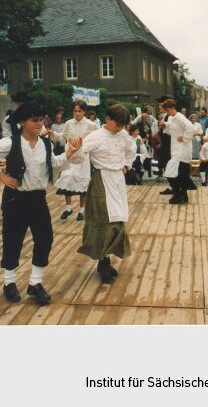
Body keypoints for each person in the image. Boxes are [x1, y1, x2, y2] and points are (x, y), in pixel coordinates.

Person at [0, 101, 82, 304]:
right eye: (34, 120)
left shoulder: (45, 144)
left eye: (41, 120)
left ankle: (35, 283)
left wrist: (70, 152)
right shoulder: (10, 142)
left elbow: (54, 164)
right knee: (13, 241)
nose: (39, 123)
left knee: (45, 239)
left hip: (37, 198)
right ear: (23, 122)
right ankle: (9, 283)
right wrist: (2, 176)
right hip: (15, 199)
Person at [67, 104, 136, 284]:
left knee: (117, 218)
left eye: (123, 125)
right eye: (117, 124)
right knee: (103, 220)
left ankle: (107, 259)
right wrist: (75, 148)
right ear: (107, 119)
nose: (120, 128)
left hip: (117, 180)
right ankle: (102, 262)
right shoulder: (96, 136)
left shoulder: (123, 135)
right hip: (102, 180)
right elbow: (80, 155)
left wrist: (127, 165)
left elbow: (131, 150)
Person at [48, 100, 99, 221]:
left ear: (84, 111)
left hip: (82, 157)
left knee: (82, 183)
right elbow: (62, 137)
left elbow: (98, 138)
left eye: (79, 111)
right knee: (67, 179)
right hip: (69, 156)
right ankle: (68, 208)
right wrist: (52, 133)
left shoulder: (91, 125)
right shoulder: (68, 123)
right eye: (75, 111)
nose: (77, 113)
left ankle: (82, 210)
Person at [160, 99, 194, 204]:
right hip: (176, 150)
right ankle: (180, 195)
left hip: (183, 150)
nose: (166, 113)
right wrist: (165, 125)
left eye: (167, 111)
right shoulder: (172, 117)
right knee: (176, 174)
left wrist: (184, 137)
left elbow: (190, 127)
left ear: (170, 108)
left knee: (177, 174)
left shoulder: (179, 117)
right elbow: (172, 129)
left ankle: (180, 195)